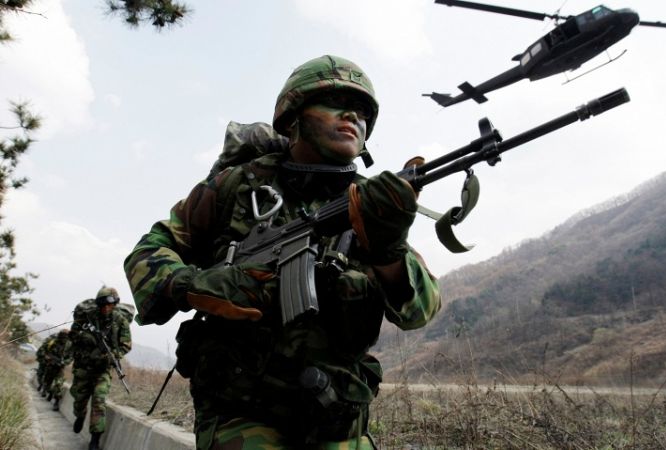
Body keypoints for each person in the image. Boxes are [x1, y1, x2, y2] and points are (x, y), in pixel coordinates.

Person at [124, 55, 441, 449]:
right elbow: (149, 250)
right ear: (293, 116)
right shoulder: (236, 186)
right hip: (242, 410)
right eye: (334, 103)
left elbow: (420, 310)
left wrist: (388, 247)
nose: (352, 116)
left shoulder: (371, 202)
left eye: (362, 111)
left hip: (336, 417)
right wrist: (193, 285)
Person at [69, 286, 132, 450]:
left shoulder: (120, 321)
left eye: (109, 305)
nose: (105, 308)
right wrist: (85, 338)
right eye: (102, 304)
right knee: (79, 399)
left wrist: (112, 355)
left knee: (99, 400)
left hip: (103, 369)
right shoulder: (87, 316)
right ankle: (80, 416)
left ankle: (95, 439)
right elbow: (73, 336)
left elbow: (126, 345)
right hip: (84, 366)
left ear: (115, 304)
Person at [40, 328, 73, 411]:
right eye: (63, 335)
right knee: (47, 381)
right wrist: (47, 357)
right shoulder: (53, 342)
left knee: (58, 385)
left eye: (65, 336)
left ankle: (56, 403)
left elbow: (70, 357)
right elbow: (46, 350)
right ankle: (48, 391)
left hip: (60, 368)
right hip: (50, 365)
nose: (64, 338)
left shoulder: (69, 345)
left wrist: (64, 362)